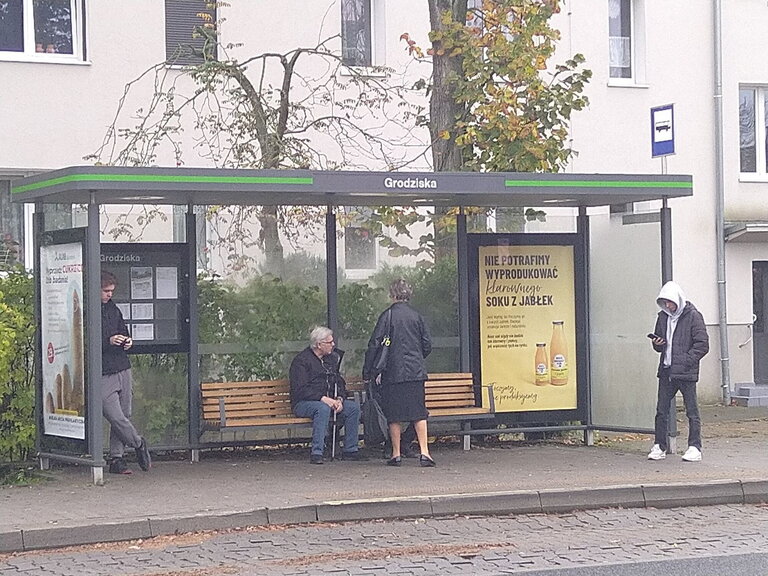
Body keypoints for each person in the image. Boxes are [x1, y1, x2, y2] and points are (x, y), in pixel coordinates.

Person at [363, 279, 435, 467]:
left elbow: (374, 344)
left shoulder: (387, 316)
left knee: (394, 415)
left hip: (392, 373)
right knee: (419, 413)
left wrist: (369, 370)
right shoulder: (417, 316)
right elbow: (427, 344)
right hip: (415, 373)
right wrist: (417, 357)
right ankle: (425, 453)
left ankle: (396, 454)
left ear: (392, 295)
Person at [647, 281, 709, 462]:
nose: (668, 306)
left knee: (692, 411)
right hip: (667, 370)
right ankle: (659, 445)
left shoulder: (693, 316)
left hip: (685, 372)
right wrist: (657, 343)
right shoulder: (663, 317)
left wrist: (687, 361)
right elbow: (660, 346)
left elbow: (702, 345)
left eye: (670, 302)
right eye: (664, 302)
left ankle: (695, 447)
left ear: (678, 300)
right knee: (661, 411)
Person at [101, 270, 151, 475]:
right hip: (103, 370)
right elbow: (83, 340)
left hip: (122, 365)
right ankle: (138, 443)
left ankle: (117, 459)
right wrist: (108, 341)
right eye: (105, 291)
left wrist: (126, 341)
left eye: (112, 291)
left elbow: (123, 331)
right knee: (114, 415)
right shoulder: (86, 310)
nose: (109, 295)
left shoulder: (113, 309)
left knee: (124, 413)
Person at [290, 326, 362, 464]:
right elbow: (300, 389)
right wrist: (323, 399)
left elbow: (339, 383)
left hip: (330, 401)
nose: (333, 344)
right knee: (322, 409)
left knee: (352, 408)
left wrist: (340, 398)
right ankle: (317, 452)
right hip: (304, 403)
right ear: (319, 344)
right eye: (329, 342)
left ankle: (351, 450)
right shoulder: (301, 361)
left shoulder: (331, 360)